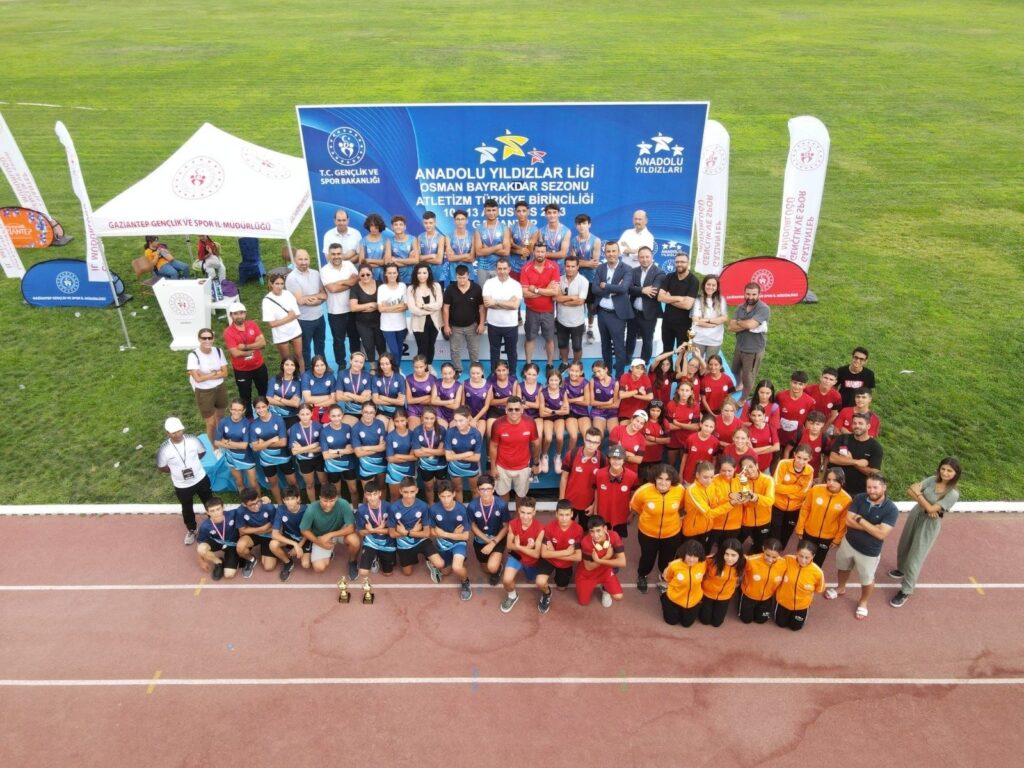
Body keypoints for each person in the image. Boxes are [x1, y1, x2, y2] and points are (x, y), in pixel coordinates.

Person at [825, 473, 900, 620]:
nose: (871, 491)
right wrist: (872, 527)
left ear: (884, 487)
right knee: (843, 567)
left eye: (875, 487)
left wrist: (859, 519)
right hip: (849, 542)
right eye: (869, 487)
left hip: (869, 552)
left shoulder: (891, 509)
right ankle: (841, 588)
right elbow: (848, 521)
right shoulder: (859, 498)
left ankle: (863, 601)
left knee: (867, 579)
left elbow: (881, 535)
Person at [890, 458, 962, 608]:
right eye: (943, 469)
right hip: (916, 515)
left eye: (949, 470)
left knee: (916, 556)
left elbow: (931, 510)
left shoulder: (953, 493)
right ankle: (901, 569)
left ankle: (906, 590)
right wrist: (926, 505)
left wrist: (920, 497)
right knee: (904, 545)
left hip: (929, 524)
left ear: (956, 474)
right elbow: (910, 490)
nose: (945, 473)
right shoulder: (932, 480)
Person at [629, 463, 685, 594]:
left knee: (667, 558)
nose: (663, 482)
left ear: (673, 480)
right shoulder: (643, 491)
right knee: (647, 557)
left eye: (667, 479)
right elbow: (636, 508)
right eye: (660, 478)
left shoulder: (680, 490)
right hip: (648, 533)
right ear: (654, 478)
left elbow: (682, 507)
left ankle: (664, 576)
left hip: (672, 533)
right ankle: (642, 575)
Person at [157, 416, 212, 544]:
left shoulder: (193, 440)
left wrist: (193, 464)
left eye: (179, 430)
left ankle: (215, 523)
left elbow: (202, 453)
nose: (177, 434)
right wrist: (176, 470)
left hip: (200, 478)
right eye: (174, 432)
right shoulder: (164, 448)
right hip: (181, 485)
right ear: (168, 433)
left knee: (209, 502)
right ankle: (192, 529)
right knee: (187, 508)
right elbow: (162, 466)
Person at [389, 477, 445, 581]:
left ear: (417, 490)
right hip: (404, 544)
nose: (409, 495)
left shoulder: (423, 506)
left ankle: (431, 563)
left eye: (412, 492)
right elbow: (392, 534)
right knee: (407, 573)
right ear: (400, 491)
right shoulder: (393, 508)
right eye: (405, 492)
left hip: (421, 540)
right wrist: (412, 532)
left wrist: (407, 532)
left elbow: (427, 533)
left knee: (440, 564)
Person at [592, 241, 634, 378]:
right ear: (605, 253)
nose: (611, 254)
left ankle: (620, 377)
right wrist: (611, 289)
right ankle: (607, 374)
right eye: (608, 251)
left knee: (619, 347)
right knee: (605, 345)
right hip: (602, 313)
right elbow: (594, 288)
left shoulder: (627, 269)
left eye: (613, 251)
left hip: (617, 315)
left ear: (619, 253)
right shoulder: (600, 268)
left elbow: (623, 288)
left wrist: (605, 286)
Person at [795, 468, 853, 567]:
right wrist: (800, 528)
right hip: (809, 532)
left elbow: (843, 520)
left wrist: (837, 539)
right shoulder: (815, 489)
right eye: (829, 479)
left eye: (835, 480)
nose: (831, 483)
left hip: (827, 537)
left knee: (818, 562)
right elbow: (805, 509)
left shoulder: (847, 499)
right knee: (802, 559)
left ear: (842, 481)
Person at [300, 481, 359, 577]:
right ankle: (326, 552)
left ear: (336, 498)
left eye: (331, 501)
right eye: (325, 501)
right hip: (320, 536)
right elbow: (304, 530)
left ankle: (352, 561)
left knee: (355, 540)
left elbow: (351, 527)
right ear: (319, 498)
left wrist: (330, 535)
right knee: (319, 568)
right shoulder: (311, 509)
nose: (328, 504)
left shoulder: (343, 504)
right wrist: (320, 542)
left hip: (338, 532)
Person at [488, 395, 540, 501]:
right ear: (506, 410)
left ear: (522, 410)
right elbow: (493, 446)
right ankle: (506, 517)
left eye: (517, 409)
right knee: (503, 495)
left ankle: (518, 518)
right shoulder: (497, 424)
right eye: (510, 409)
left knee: (521, 497)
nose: (513, 412)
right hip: (502, 467)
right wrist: (493, 467)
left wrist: (536, 464)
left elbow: (536, 444)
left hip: (523, 467)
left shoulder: (530, 422)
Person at [429, 479, 474, 601]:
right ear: (438, 496)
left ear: (454, 494)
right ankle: (433, 563)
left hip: (458, 543)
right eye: (443, 496)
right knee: (445, 572)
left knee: (457, 567)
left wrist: (444, 534)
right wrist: (447, 535)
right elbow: (431, 531)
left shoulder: (462, 510)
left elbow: (465, 536)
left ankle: (465, 582)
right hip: (443, 544)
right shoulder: (434, 509)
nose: (446, 500)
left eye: (449, 496)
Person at [536, 500, 583, 614]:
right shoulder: (549, 527)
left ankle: (562, 577)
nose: (564, 518)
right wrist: (566, 552)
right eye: (561, 514)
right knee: (540, 582)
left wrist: (555, 553)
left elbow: (578, 557)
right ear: (556, 514)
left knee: (562, 588)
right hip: (549, 560)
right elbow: (544, 554)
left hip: (564, 563)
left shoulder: (578, 529)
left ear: (572, 514)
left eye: (567, 515)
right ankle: (547, 594)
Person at [499, 496, 545, 613]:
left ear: (534, 512)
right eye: (523, 512)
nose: (525, 516)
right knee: (507, 580)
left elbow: (535, 554)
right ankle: (512, 596)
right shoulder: (513, 524)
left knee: (531, 579)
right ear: (518, 510)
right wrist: (522, 548)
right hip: (516, 556)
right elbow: (509, 545)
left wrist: (519, 547)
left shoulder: (540, 529)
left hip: (531, 560)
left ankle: (529, 572)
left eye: (529, 513)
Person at [520, 240, 560, 372]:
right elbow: (525, 294)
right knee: (530, 338)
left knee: (549, 339)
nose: (540, 254)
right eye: (537, 251)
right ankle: (528, 363)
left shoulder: (554, 267)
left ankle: (549, 364)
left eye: (543, 251)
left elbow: (555, 292)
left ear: (546, 252)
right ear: (533, 252)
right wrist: (545, 290)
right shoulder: (526, 268)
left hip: (548, 311)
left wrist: (536, 290)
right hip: (531, 310)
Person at [320, 242, 361, 371]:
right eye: (333, 254)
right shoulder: (324, 270)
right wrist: (348, 282)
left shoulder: (349, 265)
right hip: (336, 312)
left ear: (342, 254)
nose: (336, 256)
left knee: (355, 338)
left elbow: (356, 280)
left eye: (339, 253)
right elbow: (332, 289)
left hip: (352, 309)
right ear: (329, 255)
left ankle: (356, 363)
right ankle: (342, 365)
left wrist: (341, 282)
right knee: (339, 341)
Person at [223, 302, 268, 418]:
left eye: (241, 313)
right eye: (236, 314)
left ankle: (266, 414)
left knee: (264, 392)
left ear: (245, 313)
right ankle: (249, 418)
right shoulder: (228, 332)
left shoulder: (252, 325)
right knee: (245, 396)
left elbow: (263, 343)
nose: (239, 316)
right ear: (231, 315)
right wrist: (253, 348)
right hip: (241, 370)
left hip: (259, 366)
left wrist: (245, 347)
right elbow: (235, 353)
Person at [727, 282, 771, 401]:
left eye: (753, 294)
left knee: (748, 378)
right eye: (748, 294)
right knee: (734, 370)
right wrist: (748, 325)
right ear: (744, 293)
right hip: (739, 346)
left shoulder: (764, 309)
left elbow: (750, 324)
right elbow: (730, 327)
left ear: (759, 294)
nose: (750, 297)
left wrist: (740, 322)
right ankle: (739, 385)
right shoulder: (740, 307)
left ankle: (743, 399)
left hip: (753, 350)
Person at [250, 396, 296, 504]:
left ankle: (296, 502)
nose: (261, 410)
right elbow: (255, 447)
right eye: (258, 408)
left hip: (283, 457)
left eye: (263, 407)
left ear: (268, 406)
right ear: (254, 409)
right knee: (273, 483)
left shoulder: (278, 419)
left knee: (292, 482)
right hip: (266, 460)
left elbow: (283, 442)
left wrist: (263, 443)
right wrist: (271, 440)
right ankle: (280, 504)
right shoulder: (253, 425)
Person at [285, 249, 326, 368]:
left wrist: (315, 298)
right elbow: (301, 300)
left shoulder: (316, 273)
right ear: (295, 261)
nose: (303, 262)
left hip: (319, 317)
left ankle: (321, 367)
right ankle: (308, 370)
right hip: (304, 320)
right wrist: (318, 299)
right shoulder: (292, 278)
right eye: (300, 259)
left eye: (306, 259)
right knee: (305, 349)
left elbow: (324, 294)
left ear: (310, 259)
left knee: (320, 345)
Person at [187, 328, 228, 444]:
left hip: (220, 388)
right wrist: (216, 373)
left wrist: (206, 374)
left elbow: (225, 373)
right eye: (204, 338)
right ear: (199, 339)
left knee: (220, 416)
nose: (207, 340)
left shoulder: (218, 351)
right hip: (204, 392)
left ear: (213, 339)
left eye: (209, 338)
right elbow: (198, 379)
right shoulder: (193, 355)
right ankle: (214, 447)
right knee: (211, 423)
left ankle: (221, 438)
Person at [482, 258, 523, 374]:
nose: (502, 271)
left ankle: (513, 374)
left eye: (504, 268)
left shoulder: (516, 285)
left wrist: (495, 302)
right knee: (494, 352)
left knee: (512, 352)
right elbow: (487, 304)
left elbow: (515, 305)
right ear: (496, 269)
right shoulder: (489, 283)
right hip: (493, 324)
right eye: (499, 268)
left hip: (511, 325)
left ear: (509, 269)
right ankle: (494, 374)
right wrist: (506, 303)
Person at [467, 474, 510, 586]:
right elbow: (473, 526)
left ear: (493, 488)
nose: (485, 492)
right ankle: (495, 560)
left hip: (498, 539)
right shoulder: (472, 506)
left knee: (492, 568)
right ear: (478, 490)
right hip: (481, 539)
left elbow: (506, 526)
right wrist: (487, 541)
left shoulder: (501, 505)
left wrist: (493, 543)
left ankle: (498, 567)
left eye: (488, 489)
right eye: (482, 489)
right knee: (485, 569)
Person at [442, 264, 485, 375]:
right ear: (455, 276)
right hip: (455, 326)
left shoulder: (476, 288)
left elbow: (481, 307)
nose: (461, 280)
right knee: (455, 350)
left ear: (469, 275)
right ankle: (457, 369)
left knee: (474, 349)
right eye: (459, 277)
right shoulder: (450, 289)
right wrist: (446, 325)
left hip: (472, 325)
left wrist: (481, 324)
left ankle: (475, 370)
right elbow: (445, 308)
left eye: (464, 277)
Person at [771, 445, 815, 550]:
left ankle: (780, 551)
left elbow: (804, 494)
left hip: (794, 509)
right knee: (774, 531)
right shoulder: (783, 464)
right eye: (799, 457)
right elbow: (776, 487)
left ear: (810, 459)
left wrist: (786, 490)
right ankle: (772, 551)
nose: (801, 461)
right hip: (777, 505)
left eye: (805, 459)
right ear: (794, 455)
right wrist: (796, 488)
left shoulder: (810, 470)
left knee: (786, 533)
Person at [656, 250, 700, 357]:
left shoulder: (693, 281)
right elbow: (659, 297)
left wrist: (669, 298)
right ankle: (667, 372)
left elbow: (687, 305)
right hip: (667, 323)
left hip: (684, 325)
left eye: (682, 262)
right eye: (677, 262)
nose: (679, 264)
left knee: (682, 353)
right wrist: (679, 298)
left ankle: (680, 374)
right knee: (667, 350)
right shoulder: (669, 277)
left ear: (688, 263)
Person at [577, 516, 627, 608]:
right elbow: (589, 567)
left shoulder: (614, 536)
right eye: (592, 531)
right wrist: (606, 557)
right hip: (588, 575)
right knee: (583, 602)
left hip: (605, 571)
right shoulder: (585, 542)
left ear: (605, 528)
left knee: (619, 597)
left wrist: (599, 560)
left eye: (598, 530)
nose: (595, 535)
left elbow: (622, 562)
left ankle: (605, 589)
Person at [827, 413, 883, 497]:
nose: (857, 426)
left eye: (860, 423)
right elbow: (832, 458)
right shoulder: (843, 438)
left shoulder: (875, 447)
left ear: (868, 426)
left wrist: (852, 462)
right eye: (854, 423)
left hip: (857, 494)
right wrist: (856, 462)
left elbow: (874, 473)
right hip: (835, 488)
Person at [626, 245, 666, 362]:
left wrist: (636, 288)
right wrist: (643, 290)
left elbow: (653, 291)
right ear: (638, 258)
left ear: (652, 257)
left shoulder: (660, 273)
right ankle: (627, 359)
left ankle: (643, 362)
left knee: (647, 339)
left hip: (649, 314)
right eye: (641, 257)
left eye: (647, 257)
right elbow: (628, 288)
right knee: (630, 337)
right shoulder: (633, 271)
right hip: (633, 312)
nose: (644, 259)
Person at [559, 427, 606, 523]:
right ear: (584, 439)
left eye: (595, 442)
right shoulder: (572, 454)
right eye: (589, 441)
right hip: (569, 502)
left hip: (588, 505)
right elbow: (564, 478)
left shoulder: (602, 459)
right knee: (565, 528)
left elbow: (600, 486)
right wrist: (561, 500)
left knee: (585, 532)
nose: (591, 445)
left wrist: (594, 505)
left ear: (599, 444)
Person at [775, 540, 826, 631]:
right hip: (783, 602)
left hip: (802, 606)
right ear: (797, 552)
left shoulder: (818, 572)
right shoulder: (787, 559)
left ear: (813, 556)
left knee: (795, 628)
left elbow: (819, 589)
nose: (803, 560)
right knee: (780, 624)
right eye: (801, 556)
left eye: (807, 557)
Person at [355, 481, 398, 584]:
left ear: (380, 493)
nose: (372, 498)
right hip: (371, 542)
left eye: (375, 494)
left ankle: (379, 556)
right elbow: (360, 532)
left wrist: (373, 530)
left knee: (388, 573)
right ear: (365, 495)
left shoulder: (389, 507)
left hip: (388, 542)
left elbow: (394, 531)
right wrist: (372, 531)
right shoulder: (361, 510)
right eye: (369, 495)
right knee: (363, 572)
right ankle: (374, 556)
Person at [738, 538, 787, 624]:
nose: (770, 559)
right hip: (749, 596)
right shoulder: (751, 561)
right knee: (746, 620)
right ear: (763, 548)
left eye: (774, 557)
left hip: (767, 597)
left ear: (780, 554)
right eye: (767, 555)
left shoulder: (784, 564)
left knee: (761, 621)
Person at [681, 461, 728, 550]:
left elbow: (716, 503)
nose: (709, 480)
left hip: (707, 529)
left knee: (703, 557)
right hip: (692, 532)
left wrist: (730, 497)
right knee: (688, 559)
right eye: (705, 477)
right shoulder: (692, 490)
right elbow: (708, 513)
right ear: (697, 475)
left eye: (711, 477)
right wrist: (730, 504)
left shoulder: (711, 485)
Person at [594, 445, 639, 538]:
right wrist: (595, 511)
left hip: (621, 515)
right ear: (609, 459)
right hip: (603, 514)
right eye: (613, 458)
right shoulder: (599, 474)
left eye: (619, 459)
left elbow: (634, 497)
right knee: (603, 538)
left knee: (618, 540)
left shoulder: (632, 476)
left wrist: (632, 514)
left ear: (624, 460)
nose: (616, 461)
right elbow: (596, 492)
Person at [660, 539, 706, 628]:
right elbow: (668, 578)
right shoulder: (674, 566)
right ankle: (664, 596)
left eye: (695, 556)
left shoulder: (703, 564)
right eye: (689, 555)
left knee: (686, 624)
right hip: (674, 598)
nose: (692, 560)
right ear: (684, 553)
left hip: (693, 600)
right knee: (670, 621)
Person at [699, 538, 745, 627]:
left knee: (717, 623)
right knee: (704, 621)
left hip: (725, 596)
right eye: (726, 554)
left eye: (733, 555)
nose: (729, 558)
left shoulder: (743, 563)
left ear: (739, 555)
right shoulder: (710, 560)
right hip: (707, 594)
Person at [262, 273, 304, 370]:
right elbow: (271, 324)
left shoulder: (288, 294)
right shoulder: (267, 301)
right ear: (271, 284)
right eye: (277, 283)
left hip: (295, 330)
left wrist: (283, 320)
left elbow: (297, 313)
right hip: (280, 334)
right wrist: (289, 317)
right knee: (286, 360)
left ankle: (303, 378)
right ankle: (289, 379)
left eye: (282, 283)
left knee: (299, 356)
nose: (280, 286)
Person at [269, 485, 310, 582]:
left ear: (298, 498)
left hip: (304, 538)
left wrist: (299, 545)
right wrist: (294, 544)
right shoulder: (281, 510)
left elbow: (309, 532)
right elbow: (275, 534)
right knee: (273, 544)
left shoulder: (306, 510)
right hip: (289, 537)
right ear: (283, 500)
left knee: (306, 564)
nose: (289, 502)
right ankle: (288, 562)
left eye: (292, 499)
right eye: (287, 499)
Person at [735, 455, 775, 553]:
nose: (749, 470)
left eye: (751, 466)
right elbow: (742, 500)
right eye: (745, 468)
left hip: (763, 521)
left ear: (757, 465)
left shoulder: (768, 480)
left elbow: (770, 500)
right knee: (735, 545)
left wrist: (755, 497)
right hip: (745, 521)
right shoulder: (740, 480)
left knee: (758, 548)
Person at [215, 398, 257, 493]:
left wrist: (226, 441)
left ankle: (258, 501)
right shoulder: (223, 422)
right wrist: (235, 445)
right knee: (239, 483)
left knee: (254, 483)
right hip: (231, 456)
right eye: (234, 409)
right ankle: (244, 501)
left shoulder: (247, 423)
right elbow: (216, 442)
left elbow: (244, 446)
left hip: (247, 457)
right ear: (230, 409)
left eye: (239, 410)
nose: (236, 412)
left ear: (244, 411)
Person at [235, 487, 277, 577]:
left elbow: (276, 527)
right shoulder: (240, 511)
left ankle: (273, 552)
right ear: (244, 504)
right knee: (240, 547)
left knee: (268, 567)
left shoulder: (269, 507)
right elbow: (242, 530)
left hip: (269, 535)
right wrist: (261, 529)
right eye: (252, 505)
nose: (256, 506)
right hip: (254, 535)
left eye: (258, 502)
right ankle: (251, 559)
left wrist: (265, 530)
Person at [349, 265, 386, 366]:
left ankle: (383, 365)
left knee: (381, 344)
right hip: (362, 323)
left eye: (368, 274)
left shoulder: (380, 284)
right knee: (368, 345)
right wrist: (371, 304)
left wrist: (362, 307)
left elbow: (384, 304)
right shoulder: (355, 288)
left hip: (379, 321)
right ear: (359, 275)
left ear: (372, 274)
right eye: (362, 275)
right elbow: (353, 308)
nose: (365, 277)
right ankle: (373, 366)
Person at [321, 405, 358, 505]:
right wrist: (342, 451)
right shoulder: (324, 431)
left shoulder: (348, 428)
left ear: (342, 415)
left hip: (348, 464)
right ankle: (340, 512)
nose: (336, 418)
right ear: (329, 416)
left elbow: (352, 450)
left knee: (353, 490)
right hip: (332, 466)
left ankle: (355, 510)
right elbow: (326, 456)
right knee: (336, 492)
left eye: (338, 415)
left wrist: (334, 451)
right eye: (333, 416)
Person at [194, 497, 239, 580]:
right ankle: (218, 562)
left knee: (229, 575)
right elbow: (199, 542)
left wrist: (263, 500)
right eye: (212, 511)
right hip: (218, 543)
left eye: (218, 509)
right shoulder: (205, 526)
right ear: (207, 512)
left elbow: (247, 505)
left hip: (232, 544)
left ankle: (234, 558)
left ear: (223, 508)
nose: (216, 513)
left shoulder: (232, 514)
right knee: (201, 549)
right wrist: (200, 560)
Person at [289, 403, 325, 502]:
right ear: (298, 415)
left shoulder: (318, 425)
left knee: (324, 483)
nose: (305, 417)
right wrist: (313, 445)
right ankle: (313, 505)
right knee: (309, 485)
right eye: (302, 414)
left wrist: (302, 449)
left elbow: (322, 448)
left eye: (307, 414)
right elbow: (294, 451)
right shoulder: (294, 428)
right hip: (304, 461)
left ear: (312, 413)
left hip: (319, 458)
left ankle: (325, 502)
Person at [407, 265, 443, 366]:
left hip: (434, 323)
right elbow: (413, 309)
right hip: (418, 324)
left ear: (429, 274)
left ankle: (429, 367)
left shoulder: (436, 286)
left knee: (431, 345)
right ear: (415, 274)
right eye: (419, 273)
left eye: (424, 273)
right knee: (422, 347)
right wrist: (430, 310)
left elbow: (439, 304)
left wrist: (422, 306)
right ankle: (422, 369)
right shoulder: (411, 288)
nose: (422, 275)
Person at [444, 406, 483, 499]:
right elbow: (448, 457)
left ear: (469, 419)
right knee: (457, 489)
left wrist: (455, 456)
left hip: (471, 467)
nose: (458, 424)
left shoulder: (476, 434)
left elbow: (476, 458)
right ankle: (460, 512)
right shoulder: (450, 432)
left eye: (461, 420)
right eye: (456, 420)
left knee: (474, 490)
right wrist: (467, 454)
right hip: (455, 467)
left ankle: (474, 512)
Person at [412, 406, 447, 504]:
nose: (429, 421)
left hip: (441, 464)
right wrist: (435, 451)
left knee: (442, 487)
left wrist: (425, 449)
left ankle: (442, 506)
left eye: (431, 418)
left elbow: (443, 452)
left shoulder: (441, 430)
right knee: (429, 487)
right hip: (425, 466)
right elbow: (417, 453)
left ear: (435, 418)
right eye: (426, 418)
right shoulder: (417, 431)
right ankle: (431, 507)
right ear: (422, 418)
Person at [537, 369, 569, 474]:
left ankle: (558, 457)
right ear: (548, 380)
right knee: (549, 438)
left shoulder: (563, 392)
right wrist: (557, 411)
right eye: (551, 380)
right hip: (547, 419)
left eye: (556, 380)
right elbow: (542, 413)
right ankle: (544, 456)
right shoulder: (543, 393)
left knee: (560, 437)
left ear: (560, 381)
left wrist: (551, 411)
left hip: (558, 418)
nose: (554, 382)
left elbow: (566, 410)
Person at [776, 371, 817, 451]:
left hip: (796, 438)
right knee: (774, 459)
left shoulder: (810, 401)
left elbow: (809, 420)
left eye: (800, 384)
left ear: (805, 385)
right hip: (779, 434)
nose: (797, 386)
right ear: (790, 382)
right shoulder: (780, 396)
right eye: (795, 383)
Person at [690, 274, 729, 359]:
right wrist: (712, 323)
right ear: (704, 285)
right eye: (708, 284)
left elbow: (724, 318)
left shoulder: (721, 300)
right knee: (696, 363)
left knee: (710, 365)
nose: (710, 287)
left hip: (715, 340)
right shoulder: (697, 300)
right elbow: (695, 320)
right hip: (698, 338)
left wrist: (706, 320)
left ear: (717, 287)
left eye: (713, 285)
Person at [351, 401, 388, 491]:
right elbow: (358, 453)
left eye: (371, 413)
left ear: (375, 413)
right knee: (368, 492)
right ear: (361, 412)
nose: (368, 415)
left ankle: (381, 505)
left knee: (381, 488)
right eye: (366, 412)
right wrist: (377, 448)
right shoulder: (356, 428)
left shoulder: (380, 424)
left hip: (380, 462)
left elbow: (383, 447)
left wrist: (365, 448)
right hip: (365, 464)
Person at [384, 407, 417, 501]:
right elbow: (390, 459)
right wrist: (408, 457)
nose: (400, 424)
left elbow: (415, 457)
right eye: (397, 421)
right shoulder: (390, 436)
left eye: (402, 420)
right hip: (394, 470)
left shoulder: (413, 435)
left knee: (409, 497)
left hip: (409, 469)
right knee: (395, 496)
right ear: (393, 422)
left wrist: (398, 456)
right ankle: (393, 516)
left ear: (407, 420)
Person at [376, 264, 408, 360]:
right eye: (389, 273)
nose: (392, 275)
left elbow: (405, 306)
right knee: (394, 351)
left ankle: (396, 370)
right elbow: (381, 309)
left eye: (394, 273)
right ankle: (395, 370)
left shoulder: (403, 286)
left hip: (401, 324)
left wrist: (388, 307)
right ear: (385, 274)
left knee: (399, 349)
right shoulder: (382, 288)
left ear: (398, 274)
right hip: (387, 326)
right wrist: (398, 306)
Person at [474, 199, 509, 285]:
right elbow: (478, 252)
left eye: (494, 210)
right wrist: (497, 247)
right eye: (488, 210)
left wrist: (486, 249)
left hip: (499, 268)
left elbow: (506, 252)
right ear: (484, 212)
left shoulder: (504, 228)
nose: (491, 213)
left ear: (497, 211)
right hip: (483, 268)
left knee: (500, 296)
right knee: (483, 295)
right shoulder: (479, 229)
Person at [335, 351, 373, 426]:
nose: (358, 364)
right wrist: (360, 397)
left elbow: (366, 399)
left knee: (367, 428)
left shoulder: (367, 375)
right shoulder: (342, 374)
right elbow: (339, 397)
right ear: (350, 361)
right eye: (356, 361)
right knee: (344, 428)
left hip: (366, 410)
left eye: (361, 362)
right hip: (350, 411)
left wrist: (348, 394)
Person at [563, 361, 591, 457]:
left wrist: (570, 400)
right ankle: (569, 459)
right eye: (571, 370)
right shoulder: (564, 381)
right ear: (568, 370)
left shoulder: (586, 383)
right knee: (574, 436)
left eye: (576, 371)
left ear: (581, 372)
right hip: (569, 412)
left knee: (587, 437)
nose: (574, 373)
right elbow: (563, 400)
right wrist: (578, 399)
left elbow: (587, 402)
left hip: (583, 412)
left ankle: (586, 458)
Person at [682, 414, 720, 484]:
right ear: (701, 425)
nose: (708, 429)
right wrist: (680, 474)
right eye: (706, 426)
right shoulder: (691, 439)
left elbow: (714, 460)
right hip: (689, 475)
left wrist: (711, 475)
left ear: (714, 428)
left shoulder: (715, 442)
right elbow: (685, 457)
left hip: (705, 478)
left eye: (711, 427)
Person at [267, 356, 301, 430]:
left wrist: (278, 398)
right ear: (282, 366)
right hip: (274, 414)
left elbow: (295, 404)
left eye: (292, 365)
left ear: (296, 367)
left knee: (292, 434)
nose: (289, 367)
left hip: (291, 415)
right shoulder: (274, 379)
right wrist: (289, 403)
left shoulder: (298, 382)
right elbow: (268, 399)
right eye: (287, 364)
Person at [507, 199, 537, 280]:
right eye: (519, 211)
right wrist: (518, 250)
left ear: (528, 212)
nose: (521, 214)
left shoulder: (535, 230)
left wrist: (514, 246)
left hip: (528, 267)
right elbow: (507, 248)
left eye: (524, 211)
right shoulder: (511, 228)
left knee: (526, 291)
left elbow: (529, 251)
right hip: (513, 267)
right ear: (515, 212)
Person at [301, 355, 337, 423]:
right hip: (312, 409)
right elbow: (308, 399)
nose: (320, 368)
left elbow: (334, 400)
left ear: (325, 365)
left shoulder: (330, 375)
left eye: (322, 365)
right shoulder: (306, 376)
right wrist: (329, 397)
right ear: (313, 367)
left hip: (324, 407)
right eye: (317, 366)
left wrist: (315, 405)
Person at [404, 355, 436, 430]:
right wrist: (426, 397)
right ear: (413, 366)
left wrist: (415, 400)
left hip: (428, 409)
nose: (418, 370)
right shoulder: (408, 379)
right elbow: (409, 400)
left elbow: (433, 400)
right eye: (416, 367)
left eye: (421, 367)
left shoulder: (432, 378)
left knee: (429, 431)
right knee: (414, 431)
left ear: (425, 366)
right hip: (413, 409)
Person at [618, 358, 654, 423]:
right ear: (631, 368)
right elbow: (622, 395)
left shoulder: (645, 378)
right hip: (625, 411)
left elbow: (650, 397)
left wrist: (632, 395)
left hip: (641, 411)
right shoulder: (625, 377)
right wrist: (638, 391)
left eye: (642, 369)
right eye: (637, 368)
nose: (640, 371)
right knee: (624, 430)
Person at [371, 352, 406, 421]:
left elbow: (401, 402)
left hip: (398, 411)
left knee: (393, 429)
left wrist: (383, 398)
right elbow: (375, 400)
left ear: (391, 364)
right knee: (381, 427)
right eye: (382, 364)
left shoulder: (400, 378)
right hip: (382, 411)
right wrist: (395, 401)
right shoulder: (376, 378)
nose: (384, 367)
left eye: (387, 364)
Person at [417, 211, 448, 287]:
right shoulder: (420, 237)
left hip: (438, 275)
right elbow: (417, 258)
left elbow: (438, 260)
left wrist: (423, 259)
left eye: (430, 223)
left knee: (438, 298)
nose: (428, 225)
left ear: (435, 222)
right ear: (423, 223)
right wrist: (432, 255)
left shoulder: (441, 237)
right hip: (423, 276)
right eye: (426, 223)